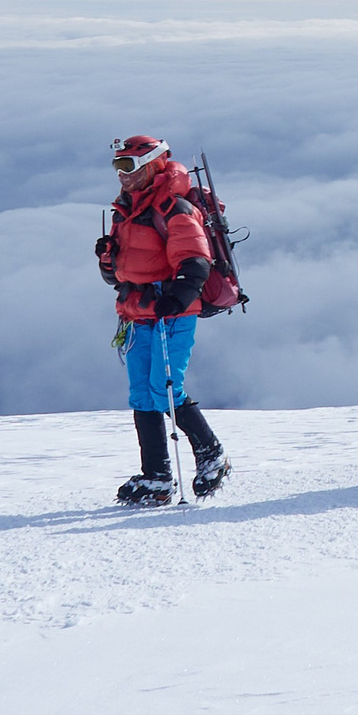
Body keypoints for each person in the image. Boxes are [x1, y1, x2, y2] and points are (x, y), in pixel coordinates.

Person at [97, 134, 230, 505]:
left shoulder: (175, 208)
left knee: (165, 390)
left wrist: (175, 299)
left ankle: (212, 456)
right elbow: (119, 275)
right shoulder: (128, 208)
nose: (121, 175)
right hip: (137, 313)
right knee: (142, 393)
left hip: (171, 314)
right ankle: (156, 477)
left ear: (153, 164)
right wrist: (108, 262)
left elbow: (196, 261)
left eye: (128, 166)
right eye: (117, 167)